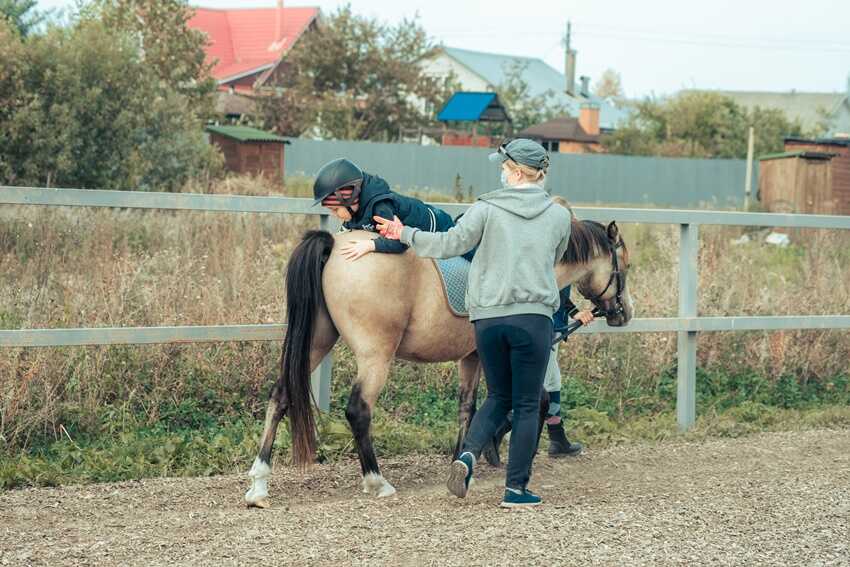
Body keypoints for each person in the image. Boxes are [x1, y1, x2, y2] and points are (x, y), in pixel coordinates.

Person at [374, 138, 569, 508]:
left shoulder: (485, 207)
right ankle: (515, 490)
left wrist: (403, 234)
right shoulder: (559, 216)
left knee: (497, 396)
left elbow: (450, 244)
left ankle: (467, 457)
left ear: (514, 171)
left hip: (488, 318)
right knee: (527, 404)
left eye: (503, 167)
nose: (500, 172)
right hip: (533, 318)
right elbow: (554, 258)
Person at [312, 158, 473, 262]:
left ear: (349, 197)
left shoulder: (380, 208)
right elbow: (346, 230)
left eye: (335, 209)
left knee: (465, 252)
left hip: (437, 224)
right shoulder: (356, 210)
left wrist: (370, 245)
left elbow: (399, 242)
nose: (334, 214)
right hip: (419, 221)